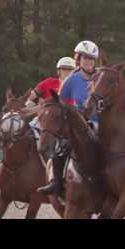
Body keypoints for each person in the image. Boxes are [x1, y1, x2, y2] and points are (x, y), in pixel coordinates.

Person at [37, 41, 99, 195]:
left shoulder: (101, 76)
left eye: (91, 59)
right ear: (78, 59)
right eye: (85, 58)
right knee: (60, 148)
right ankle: (56, 182)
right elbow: (59, 103)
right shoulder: (71, 80)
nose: (88, 61)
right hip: (78, 122)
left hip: (101, 120)